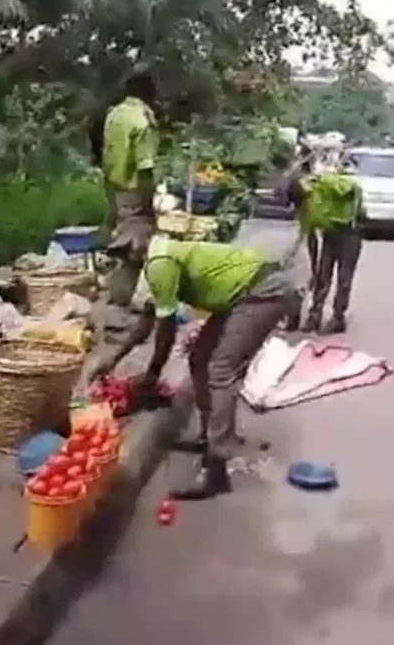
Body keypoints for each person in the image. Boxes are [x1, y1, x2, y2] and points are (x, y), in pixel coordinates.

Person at [92, 234, 303, 500]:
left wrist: (154, 373)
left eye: (122, 258)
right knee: (200, 358)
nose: (121, 265)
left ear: (135, 249)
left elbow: (165, 330)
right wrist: (113, 358)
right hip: (242, 293)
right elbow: (146, 323)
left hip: (262, 292)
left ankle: (216, 468)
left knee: (220, 371)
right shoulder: (155, 265)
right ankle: (209, 437)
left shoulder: (160, 263)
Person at [100, 64, 159, 306]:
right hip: (135, 191)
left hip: (114, 187)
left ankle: (117, 296)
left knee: (119, 241)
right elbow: (145, 167)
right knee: (133, 248)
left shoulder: (114, 114)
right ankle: (124, 302)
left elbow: (106, 153)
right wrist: (150, 203)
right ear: (148, 92)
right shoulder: (143, 120)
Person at [301, 155, 364, 334]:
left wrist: (322, 176)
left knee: (342, 279)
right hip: (333, 232)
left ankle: (337, 317)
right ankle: (316, 314)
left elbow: (345, 190)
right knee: (324, 276)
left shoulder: (351, 184)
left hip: (350, 234)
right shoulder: (331, 181)